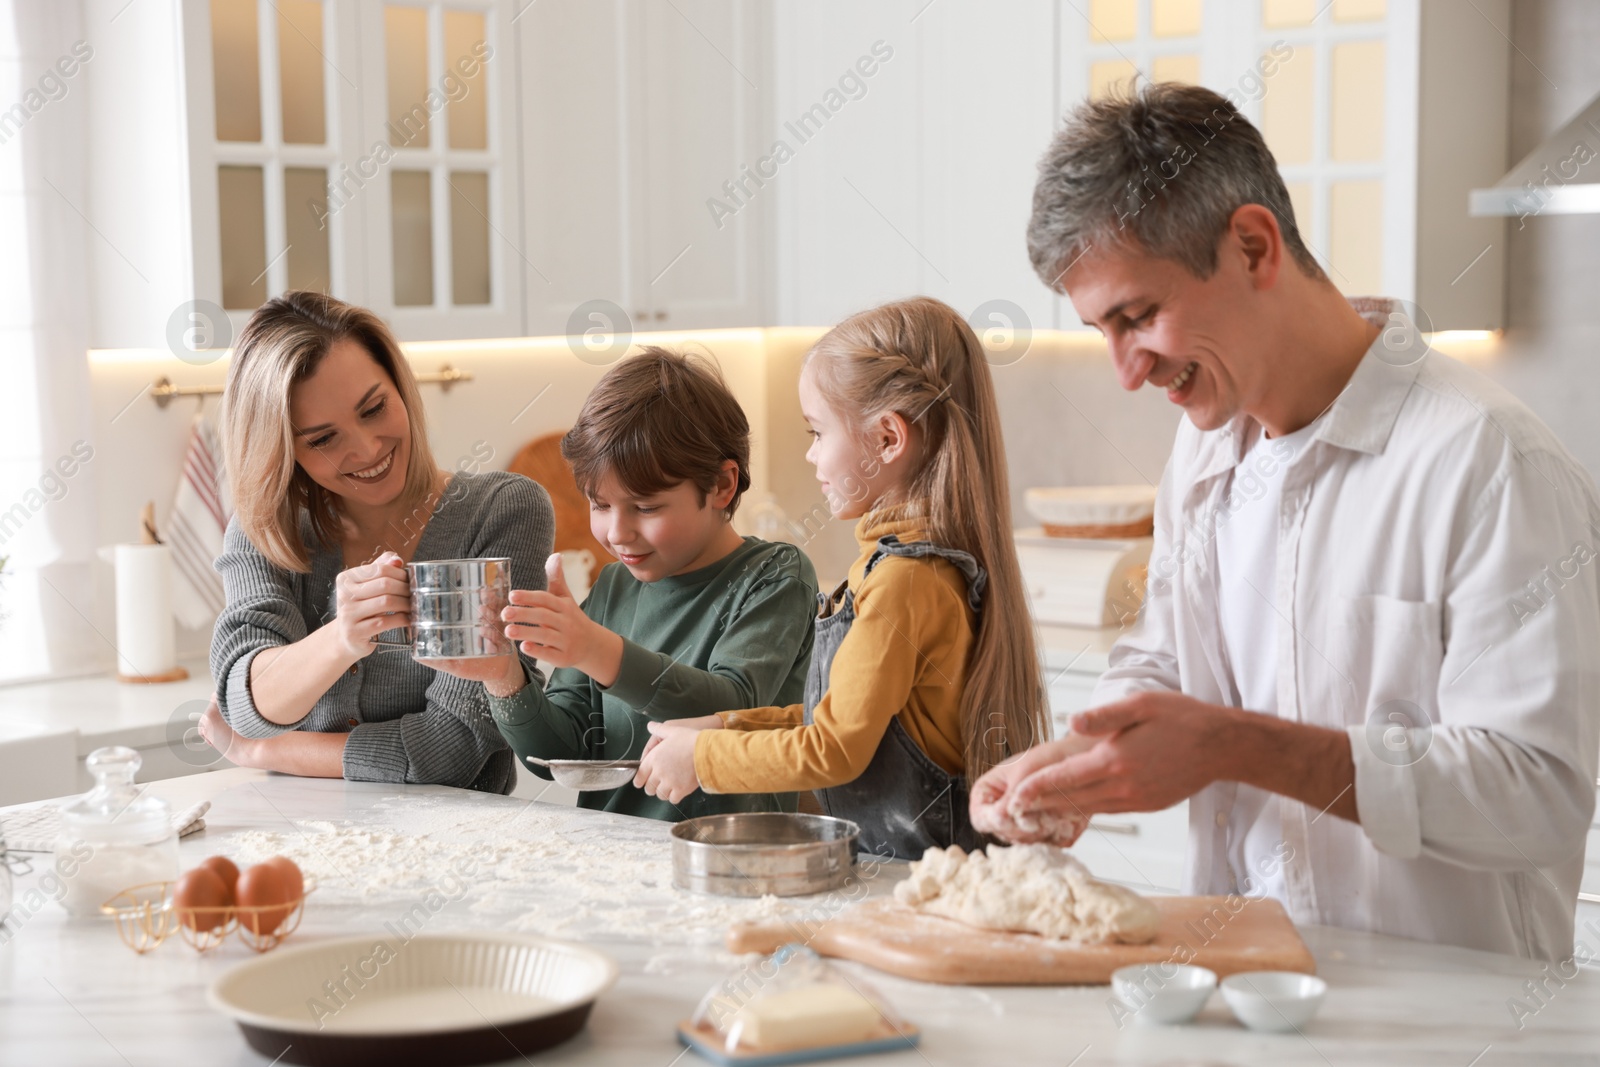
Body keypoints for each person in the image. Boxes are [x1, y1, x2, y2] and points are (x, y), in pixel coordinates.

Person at [973, 82, 1600, 960]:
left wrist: (1235, 746)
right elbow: (1165, 656)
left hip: (1451, 1025)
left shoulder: (1489, 462)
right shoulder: (1205, 450)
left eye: (1138, 317)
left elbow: (1537, 794)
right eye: (1101, 328)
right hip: (1245, 990)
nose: (1124, 371)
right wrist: (1085, 762)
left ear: (1254, 245)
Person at [635, 297, 1050, 859]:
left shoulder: (906, 581)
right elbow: (840, 717)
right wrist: (725, 724)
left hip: (917, 886)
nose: (810, 457)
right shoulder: (896, 565)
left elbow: (833, 749)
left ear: (887, 439)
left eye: (817, 432)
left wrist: (702, 760)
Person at [434, 347, 819, 821]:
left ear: (722, 485)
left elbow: (731, 710)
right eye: (600, 505)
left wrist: (596, 649)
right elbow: (563, 754)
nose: (617, 534)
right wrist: (504, 677)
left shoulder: (774, 576)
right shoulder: (615, 586)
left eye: (646, 507)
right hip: (615, 862)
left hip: (731, 860)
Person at [199, 291, 555, 794]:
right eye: (322, 439)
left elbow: (449, 750)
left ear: (400, 386)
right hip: (303, 835)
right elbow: (246, 700)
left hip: (460, 848)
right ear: (283, 449)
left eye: (373, 408)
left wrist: (263, 752)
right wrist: (342, 638)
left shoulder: (502, 511)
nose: (366, 449)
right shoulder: (266, 528)